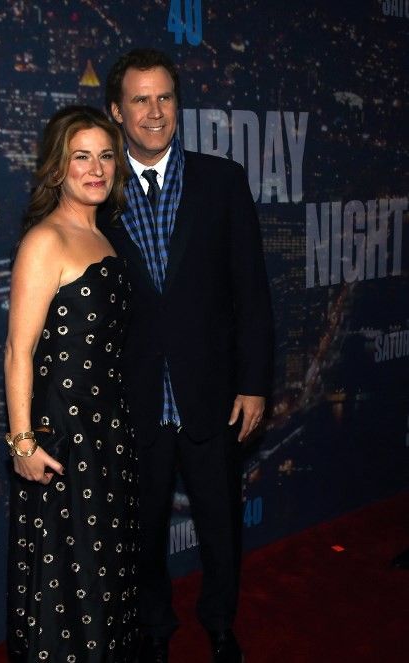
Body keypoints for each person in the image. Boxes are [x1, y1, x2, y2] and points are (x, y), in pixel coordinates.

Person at [99, 50, 273, 663]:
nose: (155, 112)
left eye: (165, 97)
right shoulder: (98, 188)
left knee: (220, 524)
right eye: (141, 100)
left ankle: (220, 622)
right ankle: (154, 627)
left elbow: (251, 290)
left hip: (211, 393)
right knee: (141, 533)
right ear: (117, 110)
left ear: (179, 105)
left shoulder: (221, 181)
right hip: (134, 398)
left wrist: (254, 383)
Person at [4, 105, 138, 663]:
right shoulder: (46, 241)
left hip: (108, 435)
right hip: (63, 438)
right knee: (65, 577)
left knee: (104, 576)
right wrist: (22, 443)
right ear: (58, 167)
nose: (96, 168)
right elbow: (18, 351)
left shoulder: (106, 238)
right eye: (81, 156)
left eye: (106, 156)